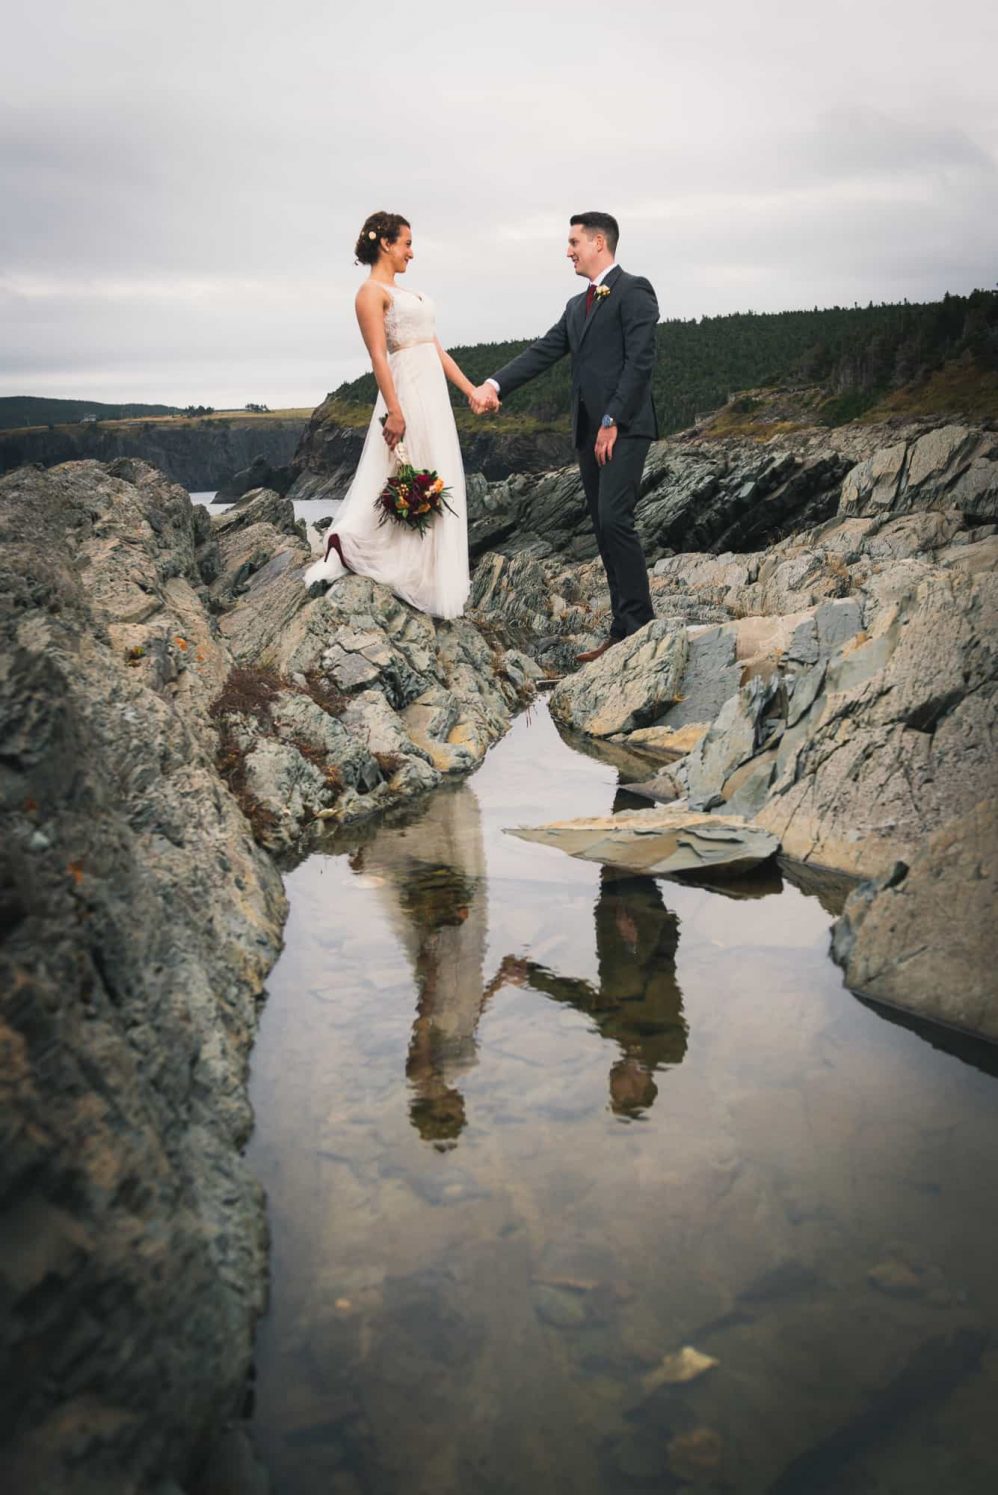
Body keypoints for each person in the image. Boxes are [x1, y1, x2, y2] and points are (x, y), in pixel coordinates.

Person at [469, 212, 659, 661]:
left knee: (615, 519)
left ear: (598, 242)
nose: (568, 250)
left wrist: (611, 419)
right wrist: (494, 386)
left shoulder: (635, 290)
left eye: (574, 242)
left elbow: (641, 361)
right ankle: (621, 627)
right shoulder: (577, 306)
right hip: (586, 433)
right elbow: (542, 351)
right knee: (602, 526)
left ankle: (642, 626)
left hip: (624, 428)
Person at [303, 211, 478, 619]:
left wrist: (471, 391)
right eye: (407, 244)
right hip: (407, 393)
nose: (411, 253)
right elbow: (378, 355)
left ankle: (425, 574)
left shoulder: (407, 293)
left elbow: (436, 348)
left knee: (435, 476)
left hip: (433, 396)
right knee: (403, 474)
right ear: (385, 243)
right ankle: (349, 549)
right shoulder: (370, 293)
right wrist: (395, 411)